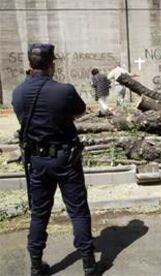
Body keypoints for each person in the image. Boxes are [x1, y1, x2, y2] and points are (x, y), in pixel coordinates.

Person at [12, 43, 97, 276]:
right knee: (78, 211)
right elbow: (80, 112)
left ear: (31, 64)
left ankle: (36, 264)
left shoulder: (18, 93)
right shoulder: (64, 90)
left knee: (39, 214)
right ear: (52, 64)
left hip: (37, 162)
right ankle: (89, 262)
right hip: (66, 159)